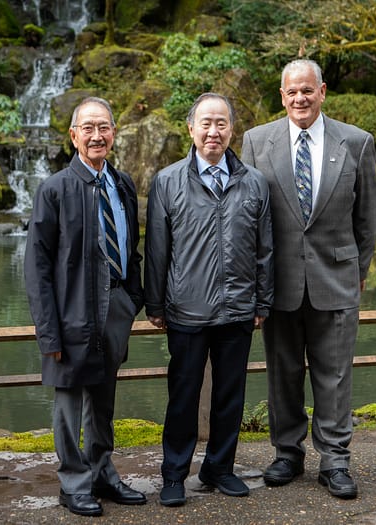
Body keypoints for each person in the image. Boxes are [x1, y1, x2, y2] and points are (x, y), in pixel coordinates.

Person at [240, 59, 376, 499]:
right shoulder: (256, 142)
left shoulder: (356, 143)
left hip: (336, 277)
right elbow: (246, 220)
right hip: (278, 282)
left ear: (322, 91)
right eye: (291, 92)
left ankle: (335, 460)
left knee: (334, 375)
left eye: (307, 90)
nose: (299, 98)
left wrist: (358, 272)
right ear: (281, 96)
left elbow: (368, 219)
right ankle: (287, 453)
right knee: (282, 373)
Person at [145, 93, 273, 507]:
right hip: (187, 310)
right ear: (191, 129)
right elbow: (157, 251)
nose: (213, 131)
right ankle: (174, 473)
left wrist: (262, 302)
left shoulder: (253, 182)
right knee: (182, 396)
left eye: (221, 123)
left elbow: (264, 250)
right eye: (205, 123)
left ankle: (219, 468)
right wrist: (156, 305)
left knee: (230, 396)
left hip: (238, 309)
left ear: (231, 130)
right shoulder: (167, 181)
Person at [23, 97, 146, 517]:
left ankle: (102, 472)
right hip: (71, 310)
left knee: (104, 397)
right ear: (73, 136)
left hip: (114, 306)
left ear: (114, 133)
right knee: (68, 402)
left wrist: (133, 298)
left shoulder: (123, 184)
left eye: (104, 128)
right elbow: (36, 267)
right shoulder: (54, 189)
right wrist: (48, 332)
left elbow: (131, 246)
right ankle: (73, 483)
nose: (97, 136)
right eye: (88, 128)